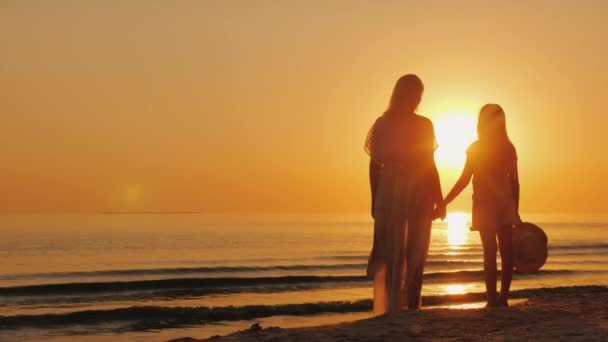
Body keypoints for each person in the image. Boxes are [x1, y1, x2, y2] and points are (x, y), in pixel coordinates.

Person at [365, 74, 443, 314]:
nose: (418, 98)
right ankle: (403, 306)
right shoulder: (389, 124)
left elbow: (428, 164)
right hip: (403, 188)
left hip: (402, 188)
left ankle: (402, 305)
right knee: (404, 249)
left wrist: (439, 199)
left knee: (406, 249)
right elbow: (375, 165)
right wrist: (374, 198)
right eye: (416, 93)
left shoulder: (391, 124)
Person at [436, 104, 522, 307]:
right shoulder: (505, 147)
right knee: (504, 252)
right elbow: (514, 183)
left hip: (488, 204)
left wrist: (444, 202)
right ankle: (500, 299)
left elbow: (465, 179)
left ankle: (495, 300)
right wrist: (515, 210)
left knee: (492, 252)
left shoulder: (485, 147)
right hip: (498, 204)